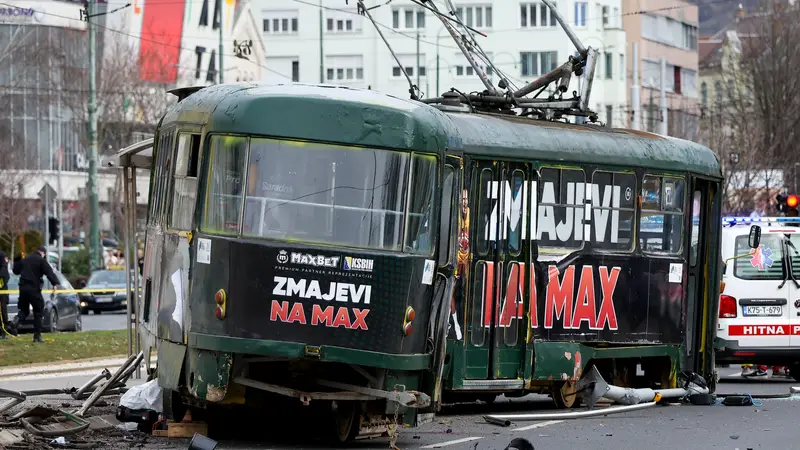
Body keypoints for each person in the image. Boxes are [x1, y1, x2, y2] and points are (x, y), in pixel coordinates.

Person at [12, 246, 61, 343]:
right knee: (38, 310)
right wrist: (55, 283)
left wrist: (17, 259)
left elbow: (15, 271)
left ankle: (15, 322)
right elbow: (49, 272)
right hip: (34, 289)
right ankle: (37, 336)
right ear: (43, 253)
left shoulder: (25, 259)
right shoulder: (41, 261)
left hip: (23, 288)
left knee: (24, 310)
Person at [0, 251, 9, 339]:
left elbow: (5, 276)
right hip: (2, 292)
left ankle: (4, 332)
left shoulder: (2, 255)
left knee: (3, 312)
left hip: (2, 292)